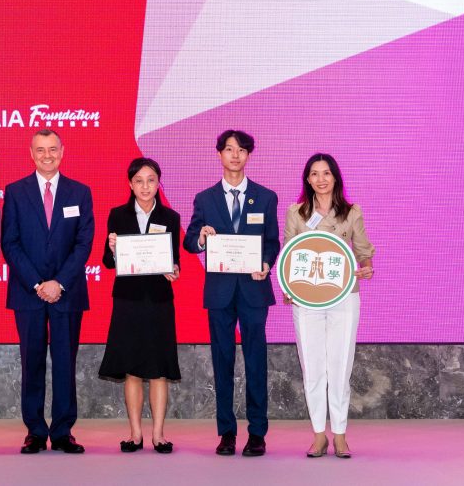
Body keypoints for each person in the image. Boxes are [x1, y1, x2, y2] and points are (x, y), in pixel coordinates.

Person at [183, 129, 279, 457]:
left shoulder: (266, 197)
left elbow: (272, 241)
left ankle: (257, 434)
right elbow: (189, 239)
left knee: (255, 362)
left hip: (254, 289)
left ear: (249, 155)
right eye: (228, 149)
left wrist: (266, 263)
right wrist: (202, 238)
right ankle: (225, 432)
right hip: (220, 292)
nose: (235, 155)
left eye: (241, 150)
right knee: (222, 362)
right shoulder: (205, 198)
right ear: (219, 154)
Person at [1, 129, 94, 454]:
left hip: (67, 293)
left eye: (52, 149)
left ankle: (63, 431)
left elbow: (84, 244)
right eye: (40, 150)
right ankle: (36, 431)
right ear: (31, 152)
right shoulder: (15, 191)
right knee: (33, 362)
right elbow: (9, 243)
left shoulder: (80, 192)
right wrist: (38, 284)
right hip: (29, 293)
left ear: (62, 151)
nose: (47, 155)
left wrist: (59, 282)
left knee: (66, 363)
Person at [285, 153, 375, 459]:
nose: (321, 179)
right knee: (312, 369)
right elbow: (289, 255)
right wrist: (289, 287)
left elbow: (362, 251)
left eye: (326, 173)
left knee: (340, 367)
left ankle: (340, 435)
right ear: (307, 179)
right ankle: (318, 436)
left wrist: (367, 266)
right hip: (306, 300)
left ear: (335, 177)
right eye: (314, 173)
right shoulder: (296, 213)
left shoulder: (351, 212)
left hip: (344, 297)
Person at [98, 157, 182, 453]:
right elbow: (108, 263)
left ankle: (158, 434)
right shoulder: (117, 215)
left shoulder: (170, 217)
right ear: (130, 184)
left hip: (159, 300)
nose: (145, 187)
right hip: (128, 301)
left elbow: (175, 263)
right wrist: (111, 248)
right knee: (132, 370)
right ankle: (135, 434)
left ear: (159, 183)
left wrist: (174, 271)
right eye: (139, 181)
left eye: (151, 180)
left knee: (159, 370)